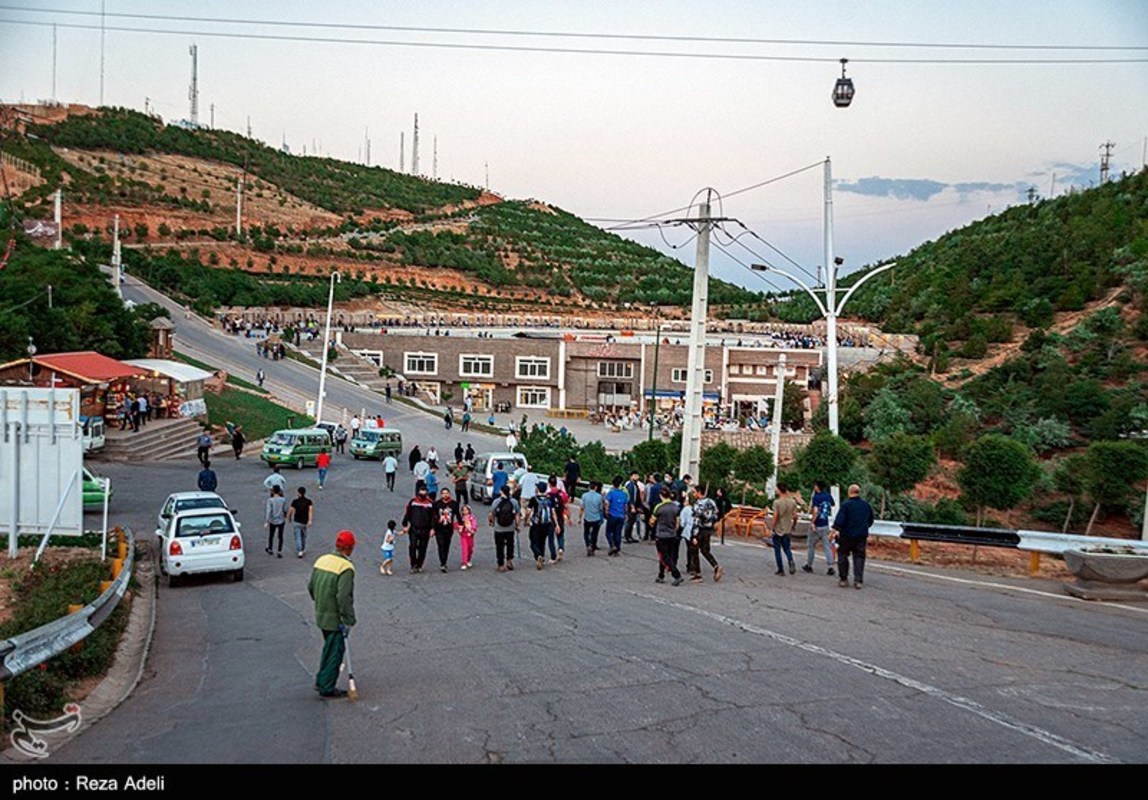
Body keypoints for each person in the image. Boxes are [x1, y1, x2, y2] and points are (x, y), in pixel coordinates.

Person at [307, 530, 357, 699]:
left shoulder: (322, 560)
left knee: (328, 649)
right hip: (336, 618)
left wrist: (320, 602)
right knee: (335, 652)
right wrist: (348, 618)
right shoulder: (346, 567)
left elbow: (311, 587)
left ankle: (322, 680)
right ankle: (327, 686)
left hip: (321, 613)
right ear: (349, 548)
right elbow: (343, 597)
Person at [832, 484, 875, 589]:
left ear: (849, 492)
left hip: (846, 535)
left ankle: (843, 579)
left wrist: (834, 531)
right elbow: (870, 520)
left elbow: (839, 521)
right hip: (861, 535)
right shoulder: (866, 505)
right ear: (858, 492)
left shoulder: (846, 505)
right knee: (859, 556)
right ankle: (858, 580)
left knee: (842, 555)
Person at [691, 485, 724, 582]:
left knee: (694, 550)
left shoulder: (698, 504)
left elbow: (696, 520)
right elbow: (716, 514)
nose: (693, 494)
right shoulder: (711, 502)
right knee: (705, 550)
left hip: (700, 529)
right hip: (708, 529)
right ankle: (716, 565)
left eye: (694, 492)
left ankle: (698, 574)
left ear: (699, 492)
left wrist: (694, 535)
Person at [652, 488, 684, 586]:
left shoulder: (659, 507)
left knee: (663, 556)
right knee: (667, 555)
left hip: (661, 535)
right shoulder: (675, 507)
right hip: (672, 534)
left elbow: (652, 521)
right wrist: (674, 530)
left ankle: (676, 574)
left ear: (661, 496)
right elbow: (678, 522)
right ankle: (661, 575)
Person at [804, 480, 836, 576]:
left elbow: (816, 511)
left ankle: (809, 565)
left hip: (817, 524)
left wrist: (812, 522)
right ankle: (830, 566)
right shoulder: (828, 496)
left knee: (811, 545)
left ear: (817, 487)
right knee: (827, 546)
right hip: (825, 524)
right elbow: (833, 504)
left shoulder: (816, 497)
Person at [401, 484, 435, 573]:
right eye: (421, 493)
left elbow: (433, 517)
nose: (422, 495)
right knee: (412, 546)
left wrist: (433, 529)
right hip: (414, 528)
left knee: (422, 548)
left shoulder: (430, 503)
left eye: (424, 493)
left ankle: (419, 565)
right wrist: (405, 525)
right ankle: (413, 565)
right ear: (418, 493)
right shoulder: (413, 502)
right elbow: (407, 514)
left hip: (425, 529)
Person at [769, 483, 800, 576]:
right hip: (787, 528)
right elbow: (795, 516)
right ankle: (790, 560)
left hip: (778, 529)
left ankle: (780, 569)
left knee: (777, 550)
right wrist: (794, 525)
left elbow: (775, 516)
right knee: (787, 548)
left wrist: (772, 527)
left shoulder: (777, 502)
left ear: (779, 490)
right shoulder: (793, 502)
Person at [489, 485, 519, 572]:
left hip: (499, 528)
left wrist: (491, 522)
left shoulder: (496, 502)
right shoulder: (514, 502)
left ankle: (501, 564)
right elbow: (517, 514)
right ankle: (509, 560)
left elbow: (491, 514)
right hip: (510, 528)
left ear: (501, 491)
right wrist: (517, 525)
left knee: (499, 546)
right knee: (510, 544)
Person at [526, 483, 555, 570]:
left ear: (538, 489)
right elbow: (553, 513)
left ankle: (538, 555)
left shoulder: (534, 499)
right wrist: (556, 524)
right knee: (542, 541)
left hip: (536, 524)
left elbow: (528, 511)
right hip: (546, 524)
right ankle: (541, 557)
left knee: (533, 542)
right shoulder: (550, 499)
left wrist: (526, 520)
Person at [432, 487, 461, 573]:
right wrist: (433, 528)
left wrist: (461, 524)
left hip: (449, 528)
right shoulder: (437, 504)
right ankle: (442, 563)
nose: (445, 495)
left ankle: (445, 560)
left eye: (446, 493)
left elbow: (457, 515)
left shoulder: (454, 504)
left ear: (449, 494)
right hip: (439, 528)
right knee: (440, 545)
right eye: (443, 493)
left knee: (446, 546)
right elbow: (433, 517)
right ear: (441, 495)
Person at [546, 475, 571, 563]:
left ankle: (553, 557)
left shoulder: (548, 495)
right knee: (560, 535)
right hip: (560, 516)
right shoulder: (562, 494)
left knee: (551, 538)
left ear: (549, 484)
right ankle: (560, 548)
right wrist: (568, 517)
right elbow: (566, 506)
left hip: (551, 519)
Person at [604, 476, 629, 556]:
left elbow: (607, 503)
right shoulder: (624, 494)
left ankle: (612, 545)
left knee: (608, 532)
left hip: (612, 514)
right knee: (618, 532)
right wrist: (625, 514)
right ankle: (617, 548)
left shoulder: (611, 493)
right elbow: (625, 506)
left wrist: (607, 511)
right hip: (621, 515)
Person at [288, 486, 314, 558]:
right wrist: (310, 520)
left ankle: (299, 551)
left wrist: (289, 518)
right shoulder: (309, 501)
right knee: (303, 535)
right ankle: (302, 548)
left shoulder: (295, 501)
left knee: (297, 536)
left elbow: (291, 510)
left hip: (297, 521)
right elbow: (310, 511)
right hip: (304, 522)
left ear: (298, 493)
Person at [580, 480, 604, 556]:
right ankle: (593, 547)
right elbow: (600, 508)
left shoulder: (584, 495)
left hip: (587, 517)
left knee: (586, 533)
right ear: (596, 487)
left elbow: (582, 508)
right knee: (594, 533)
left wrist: (579, 518)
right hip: (596, 518)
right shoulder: (599, 496)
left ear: (588, 487)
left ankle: (588, 545)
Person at [265, 485, 288, 558]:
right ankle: (279, 551)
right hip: (281, 520)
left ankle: (270, 548)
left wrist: (267, 521)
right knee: (280, 536)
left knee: (271, 535)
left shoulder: (270, 500)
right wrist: (286, 516)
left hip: (273, 520)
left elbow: (269, 511)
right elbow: (285, 509)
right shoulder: (283, 499)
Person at [623, 471, 644, 543]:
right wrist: (632, 507)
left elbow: (637, 497)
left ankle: (629, 536)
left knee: (632, 521)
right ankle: (626, 537)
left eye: (637, 475)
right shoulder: (630, 485)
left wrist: (639, 506)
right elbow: (630, 497)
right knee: (629, 521)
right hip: (630, 506)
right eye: (635, 475)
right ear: (631, 476)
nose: (636, 477)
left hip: (635, 505)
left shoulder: (636, 485)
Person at [458, 503, 478, 570]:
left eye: (466, 510)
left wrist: (473, 529)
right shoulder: (461, 518)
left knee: (470, 548)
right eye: (463, 510)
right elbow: (457, 525)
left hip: (470, 535)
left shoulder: (472, 517)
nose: (465, 511)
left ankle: (468, 559)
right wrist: (460, 528)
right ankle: (464, 562)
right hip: (464, 535)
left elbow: (474, 524)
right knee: (465, 548)